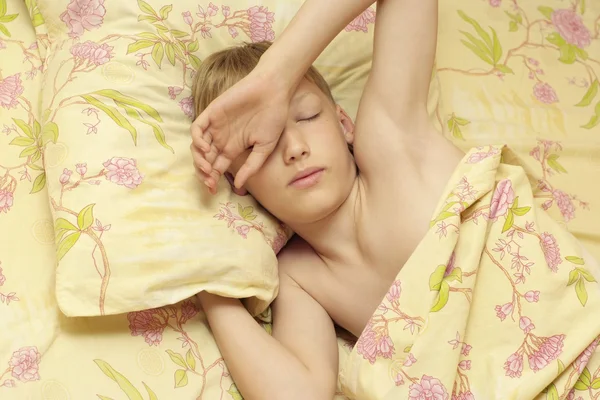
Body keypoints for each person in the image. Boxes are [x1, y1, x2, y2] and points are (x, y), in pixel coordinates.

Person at [190, 0, 464, 399]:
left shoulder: (393, 146)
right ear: (235, 177)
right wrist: (208, 288)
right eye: (256, 143)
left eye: (306, 116)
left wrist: (275, 78)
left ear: (344, 123)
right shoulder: (300, 276)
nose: (295, 149)